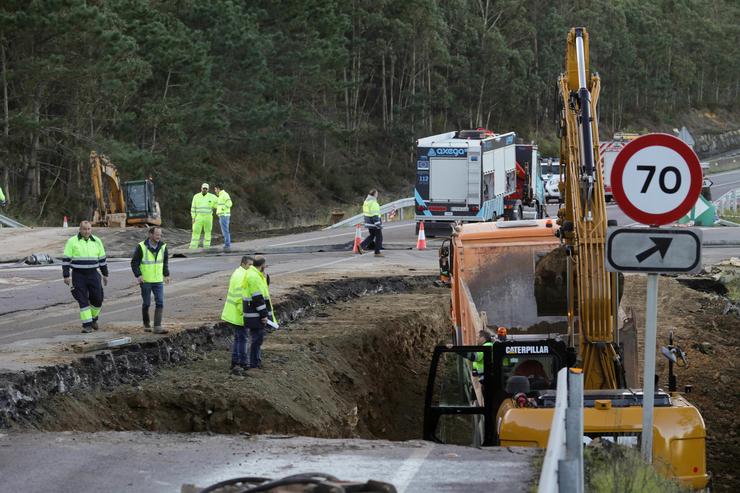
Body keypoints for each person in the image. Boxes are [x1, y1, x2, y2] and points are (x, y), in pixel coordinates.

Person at [62, 221, 108, 333]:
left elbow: (102, 260)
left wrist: (105, 274)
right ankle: (86, 325)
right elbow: (66, 259)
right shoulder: (72, 241)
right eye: (84, 229)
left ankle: (93, 319)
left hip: (93, 274)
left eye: (88, 229)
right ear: (80, 229)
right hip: (79, 275)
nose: (87, 231)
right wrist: (66, 275)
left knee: (98, 299)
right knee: (82, 300)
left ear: (91, 229)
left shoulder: (97, 241)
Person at [131, 226, 170, 334]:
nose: (159, 237)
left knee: (160, 302)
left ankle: (157, 326)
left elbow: (165, 262)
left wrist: (166, 275)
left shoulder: (163, 247)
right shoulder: (141, 247)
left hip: (158, 280)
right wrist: (138, 275)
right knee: (147, 303)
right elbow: (134, 263)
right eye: (157, 234)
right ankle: (146, 323)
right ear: (150, 234)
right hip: (146, 281)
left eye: (160, 235)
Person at [221, 256, 254, 374]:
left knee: (238, 338)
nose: (251, 267)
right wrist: (245, 313)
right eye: (250, 265)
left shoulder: (237, 272)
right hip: (239, 313)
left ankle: (235, 362)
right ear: (244, 264)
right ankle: (243, 362)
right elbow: (240, 298)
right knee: (243, 338)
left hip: (233, 313)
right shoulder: (242, 276)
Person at [243, 256, 276, 369]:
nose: (266, 267)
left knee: (258, 339)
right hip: (255, 314)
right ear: (262, 265)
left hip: (255, 313)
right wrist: (263, 315)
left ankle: (256, 361)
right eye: (265, 265)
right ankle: (253, 363)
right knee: (256, 339)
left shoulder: (256, 275)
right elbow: (257, 297)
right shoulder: (254, 276)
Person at [190, 183, 217, 248]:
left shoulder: (212, 197)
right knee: (196, 232)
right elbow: (193, 208)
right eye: (203, 188)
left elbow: (219, 203)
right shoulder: (196, 196)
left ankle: (206, 247)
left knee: (208, 232)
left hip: (208, 217)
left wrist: (218, 208)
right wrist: (193, 217)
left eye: (206, 189)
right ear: (201, 188)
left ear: (208, 189)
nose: (204, 190)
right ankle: (193, 247)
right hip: (198, 217)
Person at [359, 189, 383, 257]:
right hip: (374, 223)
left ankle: (361, 246)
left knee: (372, 236)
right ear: (374, 194)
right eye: (377, 193)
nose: (377, 195)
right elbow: (375, 215)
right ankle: (377, 252)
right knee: (379, 237)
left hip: (368, 222)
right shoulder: (374, 203)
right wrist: (378, 224)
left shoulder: (366, 202)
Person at [213, 185, 233, 251]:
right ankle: (227, 244)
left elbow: (230, 203)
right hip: (222, 215)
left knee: (225, 231)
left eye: (215, 189)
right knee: (225, 231)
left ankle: (227, 245)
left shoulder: (224, 194)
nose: (215, 191)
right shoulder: (221, 196)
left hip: (224, 215)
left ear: (218, 189)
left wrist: (222, 208)